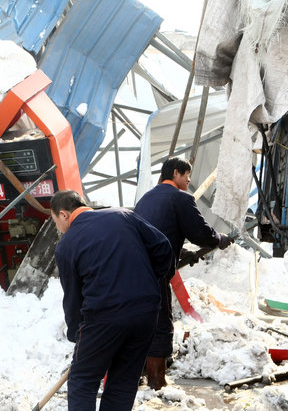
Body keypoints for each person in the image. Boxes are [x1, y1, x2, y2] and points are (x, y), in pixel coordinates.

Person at [50, 190, 173, 411]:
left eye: (55, 221)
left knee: (83, 380)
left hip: (104, 315)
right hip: (146, 311)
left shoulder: (66, 245)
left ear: (63, 214)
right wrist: (148, 281)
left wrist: (76, 333)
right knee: (123, 382)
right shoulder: (122, 215)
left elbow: (73, 297)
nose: (57, 227)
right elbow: (163, 247)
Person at [134, 156, 233, 390]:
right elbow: (201, 233)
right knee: (160, 323)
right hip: (154, 273)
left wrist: (181, 250)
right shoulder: (180, 198)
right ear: (176, 174)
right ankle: (157, 382)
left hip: (133, 270)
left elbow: (158, 231)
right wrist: (219, 239)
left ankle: (136, 375)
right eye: (187, 175)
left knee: (139, 322)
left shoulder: (145, 199)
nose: (189, 180)